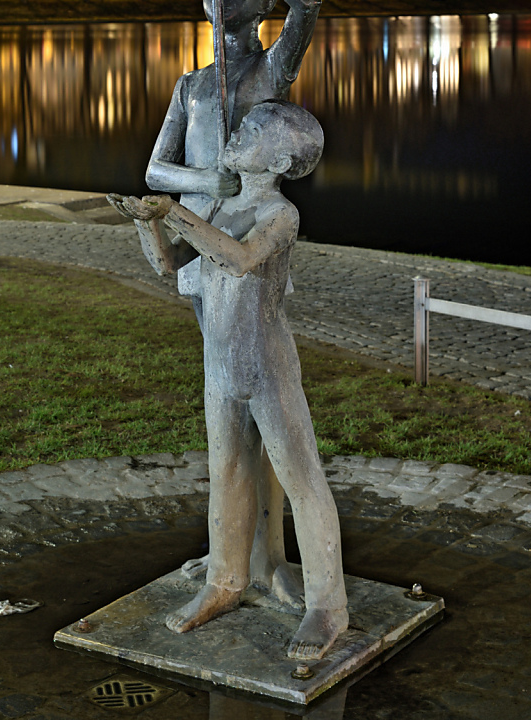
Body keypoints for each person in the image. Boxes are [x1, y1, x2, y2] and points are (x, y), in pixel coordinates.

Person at [108, 101, 348, 661]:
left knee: (301, 477)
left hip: (267, 364)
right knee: (227, 470)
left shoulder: (280, 215)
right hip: (220, 362)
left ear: (281, 161)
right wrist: (148, 223)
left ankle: (327, 606)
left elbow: (239, 259)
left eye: (254, 129)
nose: (238, 131)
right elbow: (170, 265)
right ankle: (224, 580)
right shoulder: (221, 204)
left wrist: (174, 210)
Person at [145, 0, 321, 605]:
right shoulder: (191, 86)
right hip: (200, 257)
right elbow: (157, 170)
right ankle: (234, 555)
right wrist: (203, 182)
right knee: (225, 408)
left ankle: (268, 558)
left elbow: (308, 2)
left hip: (247, 251)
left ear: (258, 0)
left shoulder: (269, 76)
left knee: (258, 411)